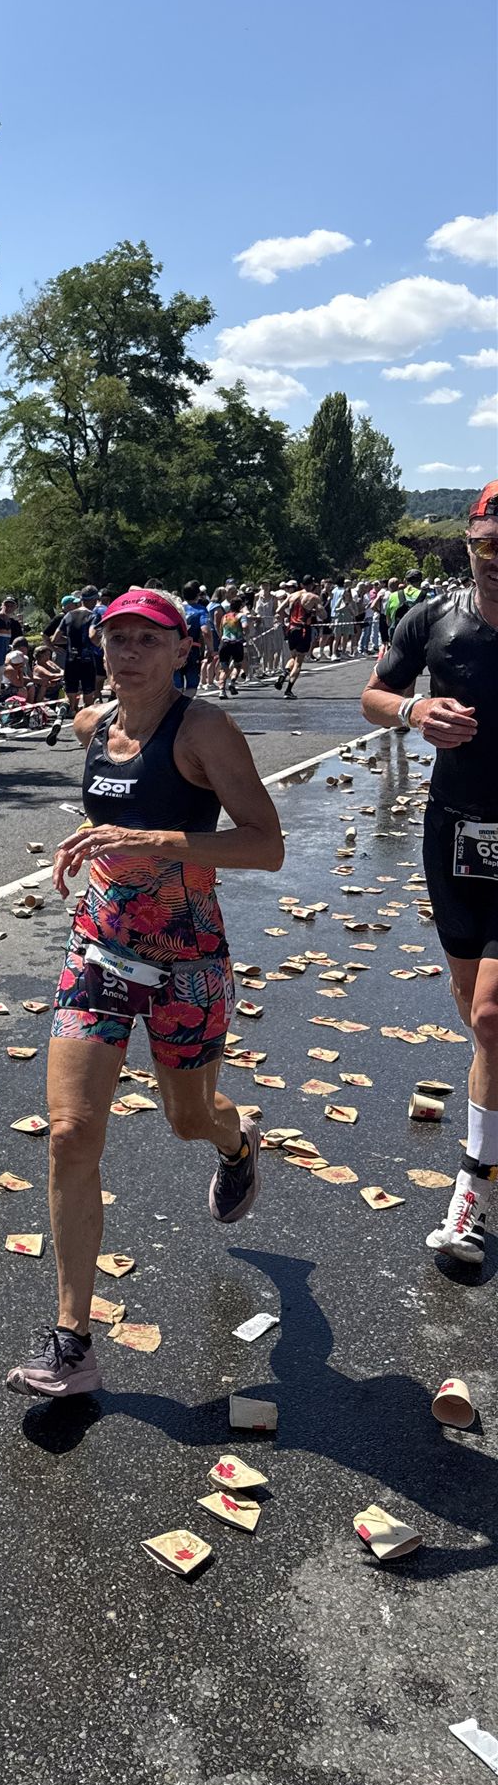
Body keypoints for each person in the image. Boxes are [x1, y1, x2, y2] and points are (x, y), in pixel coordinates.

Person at [5, 586, 283, 1399]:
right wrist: (89, 846)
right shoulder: (92, 725)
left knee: (186, 1118)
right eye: (116, 638)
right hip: (98, 949)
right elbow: (111, 823)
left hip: (187, 958)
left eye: (147, 640)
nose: (128, 652)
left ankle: (236, 1141)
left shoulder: (204, 731)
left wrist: (154, 839)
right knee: (70, 1133)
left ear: (181, 650)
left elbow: (265, 845)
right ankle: (72, 1342)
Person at [361, 479, 498, 1266]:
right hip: (455, 835)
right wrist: (414, 712)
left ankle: (470, 1196)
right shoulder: (434, 619)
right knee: (476, 1012)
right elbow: (375, 695)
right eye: (489, 545)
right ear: (470, 544)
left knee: (492, 1017)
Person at [51, 586, 103, 743]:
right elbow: (92, 635)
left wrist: (70, 642)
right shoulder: (93, 615)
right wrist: (101, 646)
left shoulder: (69, 615)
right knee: (88, 699)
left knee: (70, 697)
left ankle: (59, 719)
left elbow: (55, 638)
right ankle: (84, 735)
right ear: (93, 600)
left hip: (71, 660)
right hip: (87, 660)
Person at [275, 578, 321, 699]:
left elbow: (278, 610)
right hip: (303, 629)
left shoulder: (292, 596)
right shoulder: (313, 597)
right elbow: (323, 614)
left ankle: (284, 673)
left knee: (293, 656)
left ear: (301, 584)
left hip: (291, 628)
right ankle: (288, 690)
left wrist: (286, 618)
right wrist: (313, 612)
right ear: (312, 585)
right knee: (299, 661)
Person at [216, 598, 248, 699]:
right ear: (240, 606)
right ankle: (232, 682)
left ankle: (221, 691)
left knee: (224, 669)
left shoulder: (225, 616)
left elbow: (220, 630)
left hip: (225, 644)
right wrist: (245, 633)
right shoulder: (241, 616)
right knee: (237, 665)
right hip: (236, 644)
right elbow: (245, 626)